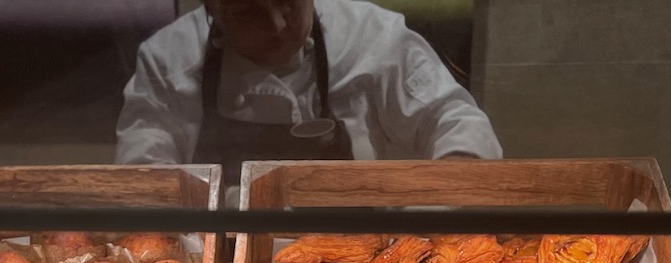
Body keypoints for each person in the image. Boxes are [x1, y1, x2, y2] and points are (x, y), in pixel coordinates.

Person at [115, 0, 502, 176]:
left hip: (367, 262)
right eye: (249, 11)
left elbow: (459, 127)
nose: (278, 26)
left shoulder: (375, 38)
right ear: (211, 9)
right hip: (222, 260)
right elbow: (142, 177)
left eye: (288, 3)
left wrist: (427, 217)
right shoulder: (168, 58)